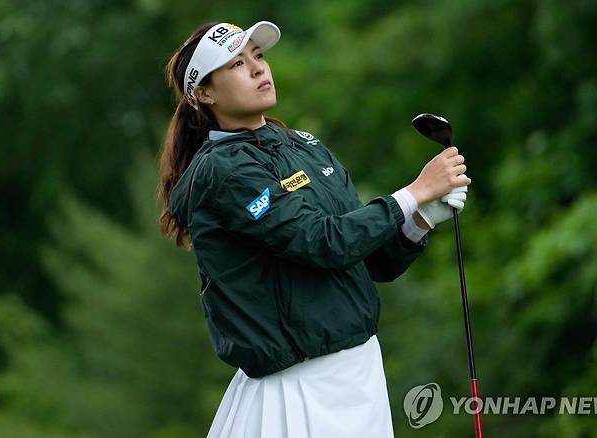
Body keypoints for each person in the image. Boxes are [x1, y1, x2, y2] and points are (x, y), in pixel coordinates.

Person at [157, 20, 471, 438]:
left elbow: (372, 259)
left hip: (360, 376)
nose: (257, 69)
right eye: (236, 64)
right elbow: (323, 243)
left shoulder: (304, 146)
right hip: (293, 392)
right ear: (204, 93)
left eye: (259, 56)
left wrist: (420, 217)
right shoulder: (222, 170)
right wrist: (414, 192)